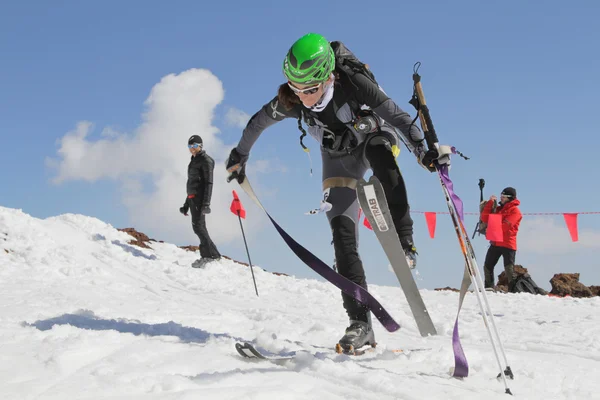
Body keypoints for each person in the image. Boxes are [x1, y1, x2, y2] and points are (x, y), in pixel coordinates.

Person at [225, 33, 448, 350]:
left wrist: (422, 151)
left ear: (327, 76)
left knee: (384, 161)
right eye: (295, 88)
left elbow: (397, 115)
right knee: (343, 237)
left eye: (310, 89)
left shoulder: (354, 83)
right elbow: (257, 122)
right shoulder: (292, 100)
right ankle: (360, 324)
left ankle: (405, 239)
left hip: (373, 139)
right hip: (338, 161)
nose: (302, 97)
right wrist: (240, 156)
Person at [180, 135, 221, 267]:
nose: (192, 149)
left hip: (200, 199)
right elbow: (192, 183)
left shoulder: (206, 160)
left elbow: (208, 183)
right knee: (198, 227)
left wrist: (206, 204)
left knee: (199, 227)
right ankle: (212, 255)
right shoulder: (194, 160)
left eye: (194, 146)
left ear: (201, 146)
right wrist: (186, 205)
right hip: (192, 198)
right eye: (190, 146)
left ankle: (210, 256)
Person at [480, 187, 522, 291]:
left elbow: (505, 226)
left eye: (503, 197)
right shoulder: (498, 209)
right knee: (487, 266)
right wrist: (490, 203)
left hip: (508, 244)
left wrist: (490, 230)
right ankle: (489, 288)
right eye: (501, 196)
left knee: (509, 270)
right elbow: (484, 218)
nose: (501, 198)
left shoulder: (515, 211)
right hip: (495, 243)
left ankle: (513, 290)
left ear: (510, 198)